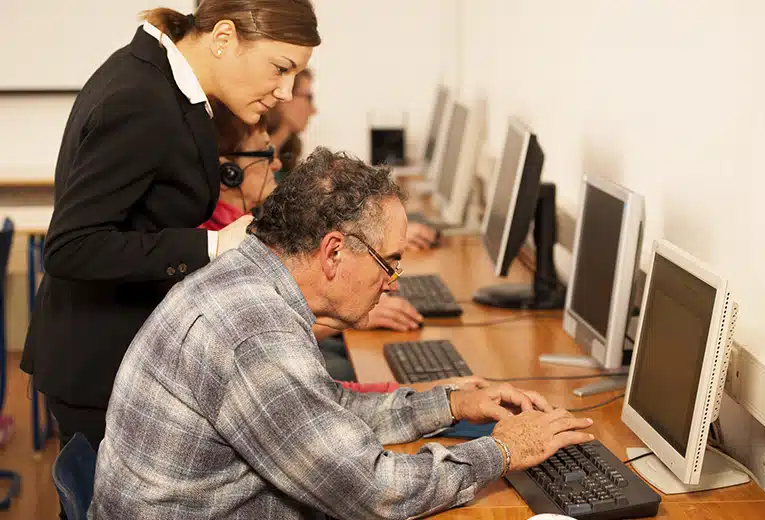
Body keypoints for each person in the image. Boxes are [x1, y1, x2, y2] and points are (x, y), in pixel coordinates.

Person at [89, 148, 594, 519]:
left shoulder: (250, 275)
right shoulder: (253, 336)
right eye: (387, 262)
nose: (392, 282)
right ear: (333, 252)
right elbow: (375, 492)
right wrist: (502, 450)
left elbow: (321, 409)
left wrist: (449, 405)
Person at [20, 0, 321, 458]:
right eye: (280, 68)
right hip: (103, 364)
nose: (285, 91)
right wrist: (214, 245)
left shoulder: (162, 83)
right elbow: (70, 247)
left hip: (123, 354)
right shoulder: (142, 97)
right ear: (224, 39)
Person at [199, 109, 454, 385]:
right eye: (264, 155)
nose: (275, 165)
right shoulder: (226, 244)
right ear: (228, 170)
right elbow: (275, 343)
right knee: (346, 366)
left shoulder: (248, 223)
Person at [265, 69, 439, 251]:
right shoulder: (260, 169)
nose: (314, 110)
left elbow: (310, 222)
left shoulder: (283, 159)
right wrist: (387, 238)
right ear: (282, 97)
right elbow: (292, 236)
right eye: (308, 98)